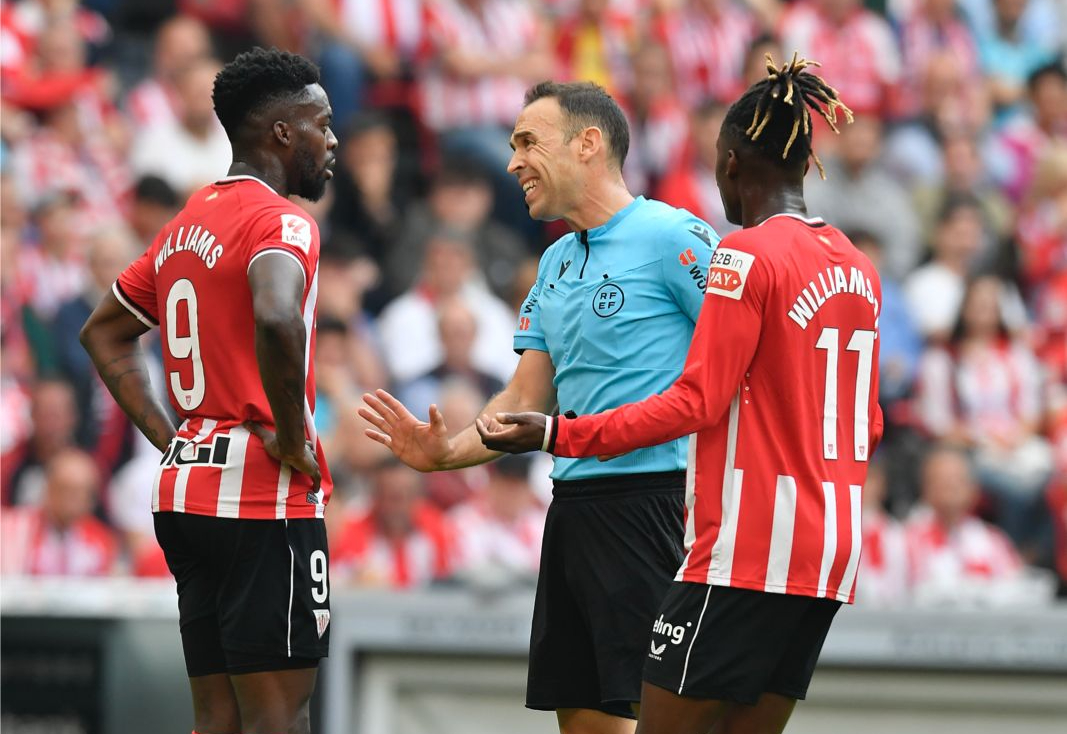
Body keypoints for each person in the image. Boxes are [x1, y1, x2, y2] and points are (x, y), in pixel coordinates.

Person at [478, 55, 882, 734]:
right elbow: (866, 422)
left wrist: (558, 433)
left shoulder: (742, 255)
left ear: (730, 162)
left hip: (745, 547)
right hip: (829, 549)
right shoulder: (857, 267)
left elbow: (697, 401)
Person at [360, 80, 718, 733]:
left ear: (587, 144)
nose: (513, 163)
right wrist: (446, 452)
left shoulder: (676, 237)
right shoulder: (553, 262)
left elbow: (737, 366)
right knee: (585, 724)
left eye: (528, 142)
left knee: (667, 720)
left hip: (660, 504)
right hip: (571, 508)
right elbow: (524, 397)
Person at [79, 48, 337, 734]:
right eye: (321, 125)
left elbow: (103, 333)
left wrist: (173, 439)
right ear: (282, 132)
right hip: (260, 494)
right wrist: (291, 437)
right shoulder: (282, 222)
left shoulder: (184, 226)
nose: (332, 141)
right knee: (279, 719)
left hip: (186, 489)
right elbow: (277, 315)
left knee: (216, 721)